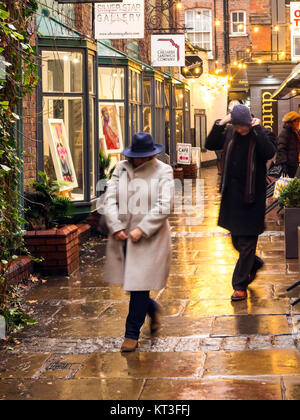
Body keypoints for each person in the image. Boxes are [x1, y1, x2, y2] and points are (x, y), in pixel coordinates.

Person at [103, 132, 174, 352]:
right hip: (122, 237)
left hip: (149, 240)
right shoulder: (120, 169)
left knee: (139, 287)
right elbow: (109, 199)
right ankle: (152, 310)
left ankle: (131, 334)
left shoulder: (164, 171)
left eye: (143, 156)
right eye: (136, 156)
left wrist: (142, 229)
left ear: (152, 155)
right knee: (132, 285)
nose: (139, 160)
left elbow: (165, 205)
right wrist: (115, 227)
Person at [205, 105, 276, 301]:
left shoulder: (262, 134)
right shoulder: (228, 132)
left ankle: (239, 285)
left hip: (252, 197)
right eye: (236, 125)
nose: (240, 130)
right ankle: (254, 263)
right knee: (236, 241)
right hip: (232, 197)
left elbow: (268, 152)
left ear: (249, 122)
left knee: (246, 244)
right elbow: (210, 144)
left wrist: (258, 129)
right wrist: (222, 122)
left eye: (243, 126)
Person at [275, 111, 300, 178]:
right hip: (288, 164)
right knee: (286, 183)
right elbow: (281, 148)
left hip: (293, 163)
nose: (298, 123)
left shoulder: (294, 131)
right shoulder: (285, 132)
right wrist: (284, 164)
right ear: (292, 121)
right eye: (297, 121)